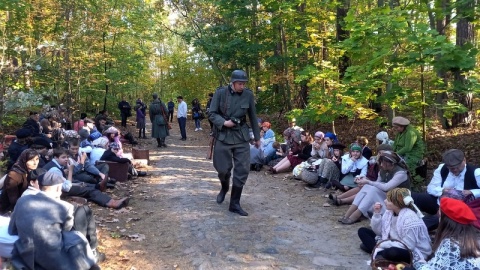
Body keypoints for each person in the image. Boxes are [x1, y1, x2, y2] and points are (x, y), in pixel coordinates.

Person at [8, 171, 99, 270]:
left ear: (40, 185)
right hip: (54, 261)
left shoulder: (22, 200)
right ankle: (91, 257)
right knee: (75, 236)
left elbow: (11, 229)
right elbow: (66, 231)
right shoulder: (65, 207)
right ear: (58, 188)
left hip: (25, 256)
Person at [208, 70, 261, 216]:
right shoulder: (220, 93)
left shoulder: (248, 95)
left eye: (244, 83)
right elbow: (211, 114)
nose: (242, 86)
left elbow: (252, 116)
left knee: (242, 170)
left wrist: (257, 138)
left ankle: (234, 203)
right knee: (222, 169)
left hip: (241, 136)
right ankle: (224, 187)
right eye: (239, 83)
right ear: (232, 83)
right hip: (223, 135)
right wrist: (224, 122)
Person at [357, 188, 431, 264]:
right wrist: (376, 214)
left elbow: (409, 246)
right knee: (362, 231)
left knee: (392, 252)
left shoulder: (410, 219)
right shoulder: (389, 212)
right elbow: (379, 232)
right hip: (390, 241)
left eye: (388, 200)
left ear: (397, 203)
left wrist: (384, 244)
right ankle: (380, 251)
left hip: (412, 250)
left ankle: (377, 251)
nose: (385, 201)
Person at [412, 149, 480, 230]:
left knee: (435, 219)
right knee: (411, 197)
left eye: (457, 167)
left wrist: (472, 192)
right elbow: (430, 188)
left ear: (464, 160)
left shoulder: (476, 172)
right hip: (439, 202)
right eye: (451, 168)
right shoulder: (442, 169)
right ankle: (405, 218)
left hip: (460, 209)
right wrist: (442, 190)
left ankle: (413, 228)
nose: (454, 170)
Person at [338, 151, 410, 224]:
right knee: (367, 187)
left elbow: (386, 187)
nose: (381, 164)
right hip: (387, 196)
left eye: (383, 162)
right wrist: (365, 181)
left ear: (390, 163)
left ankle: (356, 215)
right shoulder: (383, 171)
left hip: (399, 199)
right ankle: (347, 215)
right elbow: (377, 183)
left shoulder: (401, 173)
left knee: (372, 189)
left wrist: (368, 181)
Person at [410, 197, 480, 270]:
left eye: (439, 216)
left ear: (445, 221)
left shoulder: (450, 244)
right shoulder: (472, 239)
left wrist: (418, 263)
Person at [0, 149, 39, 214]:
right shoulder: (14, 175)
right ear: (24, 160)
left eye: (37, 159)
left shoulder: (33, 171)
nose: (35, 163)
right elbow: (13, 199)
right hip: (8, 209)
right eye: (31, 160)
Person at [392, 116, 425, 182]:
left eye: (397, 127)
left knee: (402, 167)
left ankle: (408, 182)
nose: (396, 129)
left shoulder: (410, 133)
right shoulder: (400, 132)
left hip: (413, 155)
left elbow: (407, 148)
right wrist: (391, 152)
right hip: (402, 153)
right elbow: (395, 144)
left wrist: (395, 154)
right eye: (395, 127)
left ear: (402, 126)